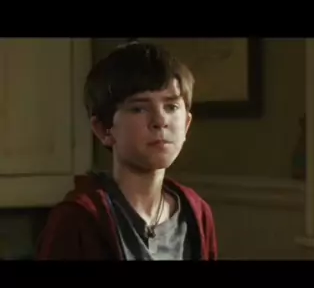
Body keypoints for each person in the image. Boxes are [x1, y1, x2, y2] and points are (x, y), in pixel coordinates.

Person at [36, 41, 217, 260]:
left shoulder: (196, 213)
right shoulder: (77, 220)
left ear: (186, 125)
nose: (160, 121)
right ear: (104, 129)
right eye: (139, 108)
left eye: (171, 107)